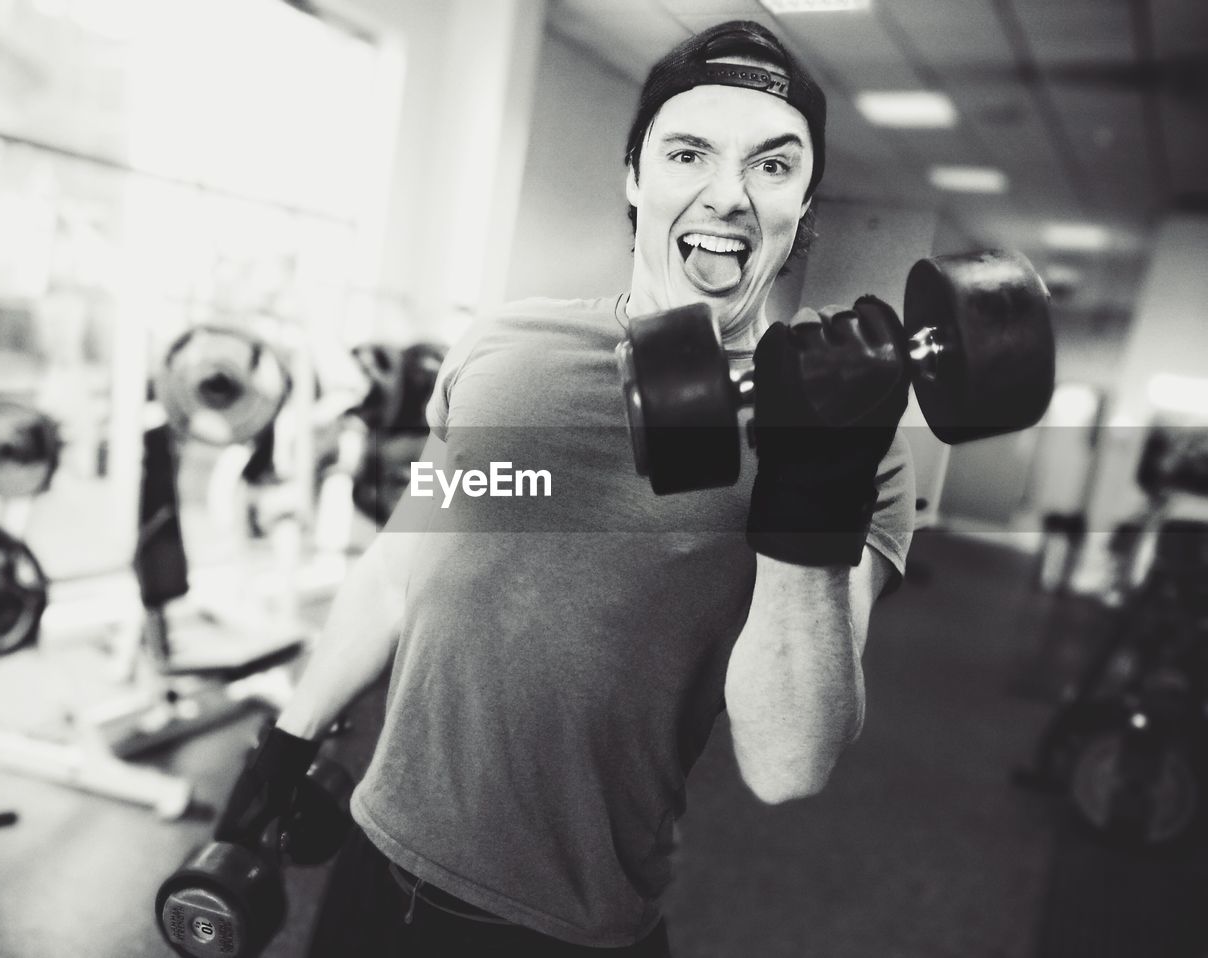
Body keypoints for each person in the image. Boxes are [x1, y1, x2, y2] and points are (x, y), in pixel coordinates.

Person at [215, 19, 916, 956]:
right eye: (688, 152)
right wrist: (289, 739)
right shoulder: (505, 345)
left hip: (572, 928)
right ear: (635, 176)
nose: (728, 196)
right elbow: (401, 565)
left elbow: (790, 763)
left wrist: (810, 499)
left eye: (773, 166)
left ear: (804, 205)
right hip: (372, 869)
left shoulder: (848, 431)